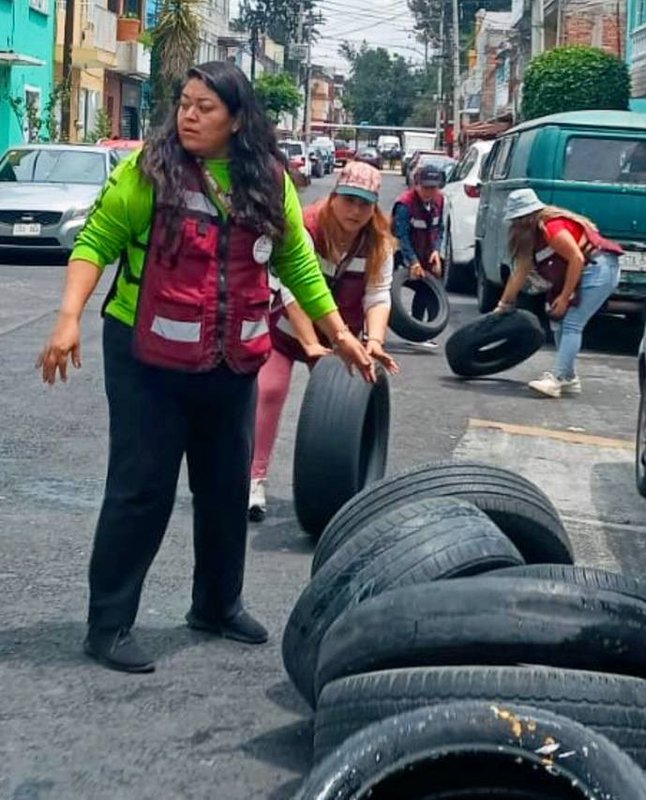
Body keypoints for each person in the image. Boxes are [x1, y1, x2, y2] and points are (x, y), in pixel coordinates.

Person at [36, 61, 376, 674]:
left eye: (204, 107)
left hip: (230, 359)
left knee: (224, 486)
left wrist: (341, 336)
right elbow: (95, 244)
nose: (188, 116)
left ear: (238, 119)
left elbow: (295, 262)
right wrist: (67, 319)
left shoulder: (268, 182)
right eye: (184, 104)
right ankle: (108, 623)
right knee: (141, 488)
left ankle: (217, 605)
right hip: (148, 359)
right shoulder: (150, 172)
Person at [249, 162, 400, 520]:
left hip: (341, 338)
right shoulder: (305, 226)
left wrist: (374, 340)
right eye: (348, 200)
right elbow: (291, 288)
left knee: (350, 402)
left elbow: (378, 295)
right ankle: (253, 480)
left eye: (365, 204)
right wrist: (309, 342)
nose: (355, 211)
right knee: (270, 388)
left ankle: (348, 488)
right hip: (286, 330)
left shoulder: (379, 241)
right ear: (333, 197)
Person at [495, 188, 622, 399]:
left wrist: (565, 297)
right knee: (558, 321)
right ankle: (569, 377)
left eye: (519, 219)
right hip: (583, 270)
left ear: (529, 216)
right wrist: (503, 305)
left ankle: (559, 379)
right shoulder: (532, 236)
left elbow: (577, 259)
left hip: (598, 269)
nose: (516, 225)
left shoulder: (551, 228)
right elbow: (520, 271)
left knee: (572, 323)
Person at [392, 163, 446, 349]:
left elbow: (439, 229)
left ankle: (418, 331)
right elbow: (402, 236)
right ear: (417, 184)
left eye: (433, 187)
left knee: (425, 290)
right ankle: (370, 331)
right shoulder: (405, 204)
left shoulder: (439, 201)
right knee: (383, 290)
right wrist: (412, 261)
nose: (430, 192)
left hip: (426, 252)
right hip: (400, 253)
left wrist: (436, 251)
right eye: (426, 187)